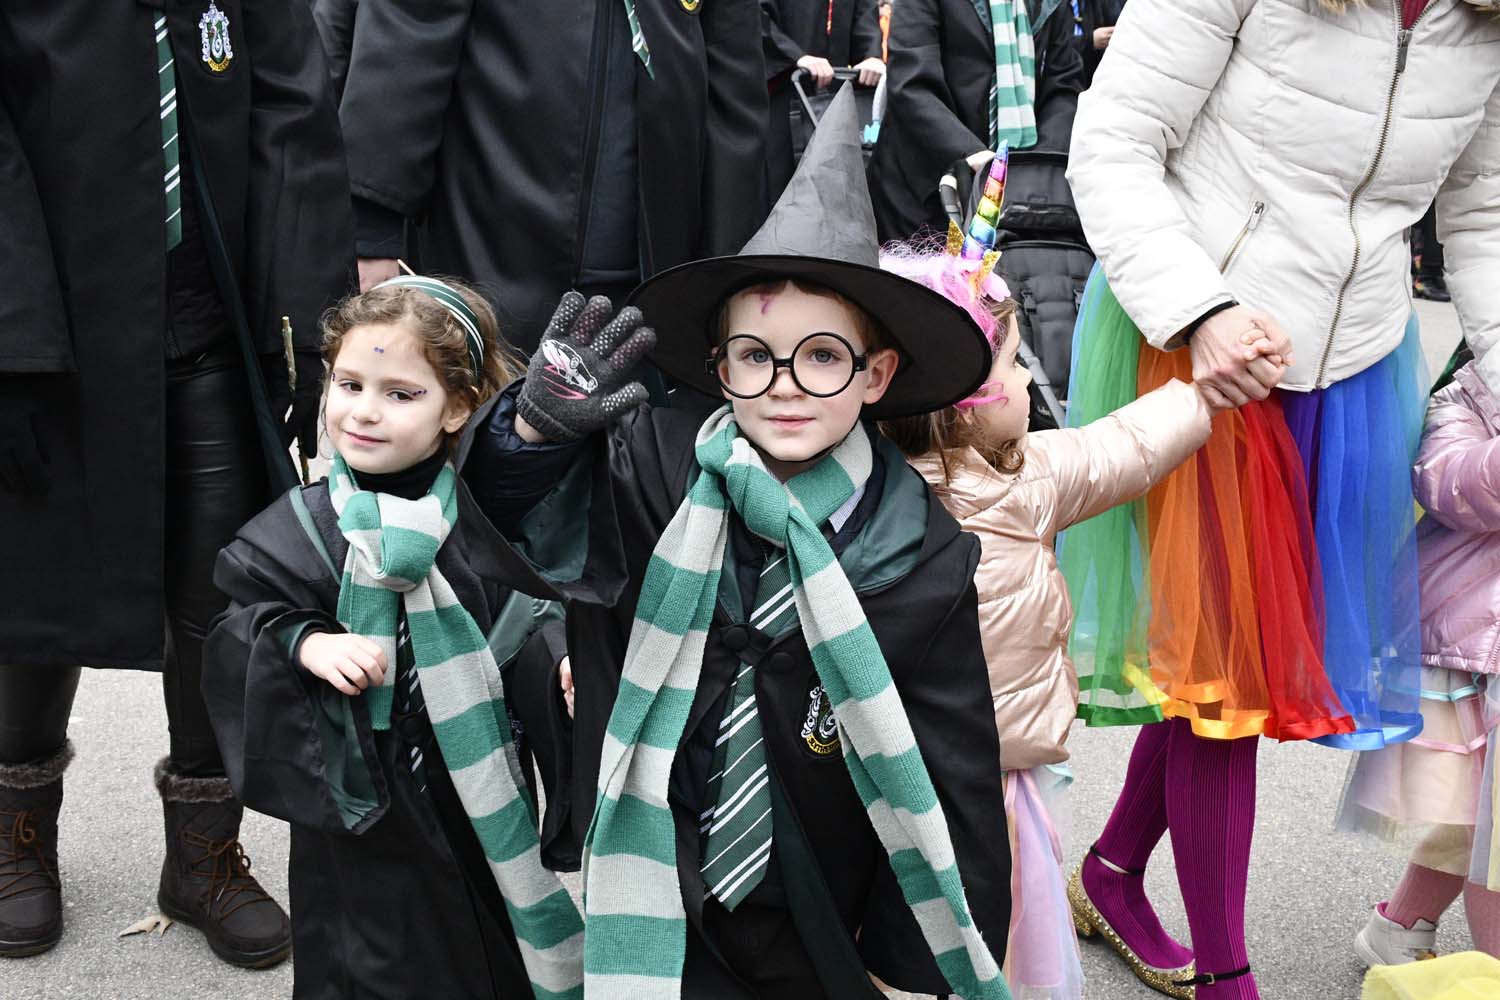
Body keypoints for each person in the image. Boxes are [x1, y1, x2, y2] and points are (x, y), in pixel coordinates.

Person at [464, 87, 1014, 999]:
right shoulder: (650, 471)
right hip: (657, 874)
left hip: (818, 901)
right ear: (719, 369)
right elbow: (511, 538)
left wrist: (919, 961)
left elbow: (952, 766)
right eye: (756, 356)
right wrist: (529, 441)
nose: (785, 385)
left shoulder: (922, 553)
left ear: (877, 374)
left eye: (823, 356)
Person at [1059, 1, 1500, 997]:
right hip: (1204, 341)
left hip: (1355, 363)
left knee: (1232, 656)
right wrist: (1201, 310)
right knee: (1223, 677)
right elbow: (1117, 138)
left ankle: (1113, 871)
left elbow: (1484, 219)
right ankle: (1229, 980)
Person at [0, 1, 351, 965]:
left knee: (220, 594)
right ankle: (16, 832)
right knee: (33, 586)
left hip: (208, 323)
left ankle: (203, 853)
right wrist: (13, 339)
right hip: (56, 329)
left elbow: (293, 118)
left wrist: (307, 318)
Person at [879, 225, 1280, 995]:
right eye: (1011, 363)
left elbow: (1122, 446)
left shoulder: (1016, 477)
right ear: (963, 403)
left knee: (974, 942)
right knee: (963, 940)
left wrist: (1201, 393)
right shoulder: (884, 496)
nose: (1029, 380)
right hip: (953, 777)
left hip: (981, 778)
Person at [202, 277, 584, 998]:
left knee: (479, 949)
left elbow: (531, 619)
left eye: (401, 393)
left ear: (457, 407)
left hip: (471, 789)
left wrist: (562, 663)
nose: (364, 411)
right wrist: (303, 642)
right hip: (360, 812)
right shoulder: (303, 527)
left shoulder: (482, 522)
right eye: (349, 384)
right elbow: (236, 630)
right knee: (365, 965)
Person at [325, 0, 770, 355]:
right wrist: (374, 229)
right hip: (489, 251)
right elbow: (411, 32)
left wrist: (727, 275)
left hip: (654, 281)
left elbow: (734, 89)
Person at [1340, 356, 1500, 966]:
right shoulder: (1471, 392)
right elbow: (1445, 485)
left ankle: (1401, 924)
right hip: (1480, 647)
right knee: (1487, 828)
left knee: (1474, 823)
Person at [866, 0, 1085, 240]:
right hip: (926, 193)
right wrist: (974, 155)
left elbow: (1064, 88)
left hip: (1022, 201)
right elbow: (911, 85)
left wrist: (1034, 165)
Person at [761, 0, 886, 201]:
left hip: (835, 98)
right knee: (784, 193)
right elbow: (754, 16)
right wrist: (796, 57)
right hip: (782, 94)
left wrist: (871, 56)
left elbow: (863, 13)